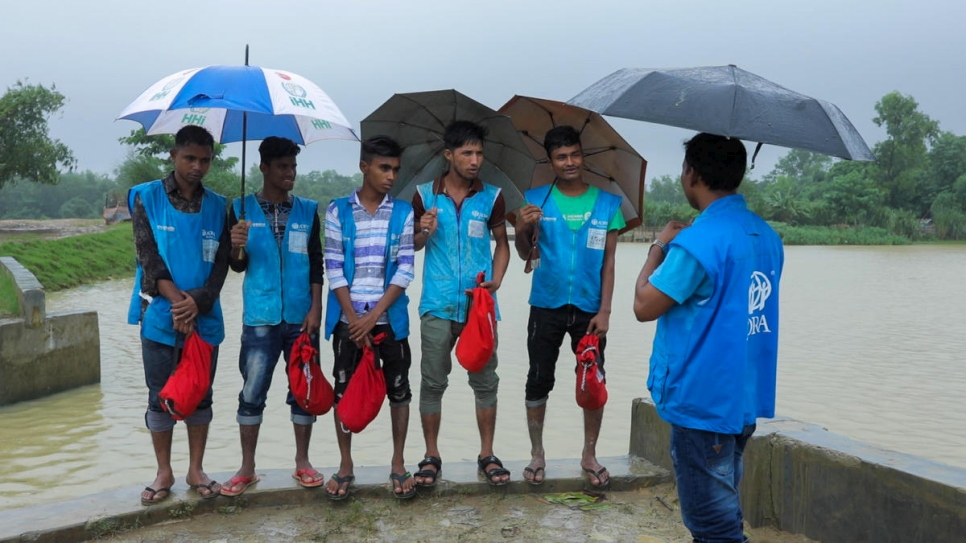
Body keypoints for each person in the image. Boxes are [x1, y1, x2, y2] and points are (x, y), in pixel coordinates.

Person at [632, 133, 784, 543]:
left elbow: (645, 305)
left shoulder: (698, 242)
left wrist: (658, 246)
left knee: (713, 525)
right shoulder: (765, 235)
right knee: (724, 500)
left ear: (692, 174)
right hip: (743, 396)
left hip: (703, 401)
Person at [513, 125, 624, 487]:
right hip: (546, 304)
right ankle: (537, 454)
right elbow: (524, 255)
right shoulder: (534, 200)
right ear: (550, 161)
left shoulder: (608, 204)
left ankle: (589, 454)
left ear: (583, 156)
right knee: (538, 379)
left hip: (591, 311)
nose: (570, 162)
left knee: (592, 382)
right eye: (561, 157)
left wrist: (605, 310)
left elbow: (609, 264)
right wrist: (523, 228)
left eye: (575, 154)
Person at [127, 124, 230, 505]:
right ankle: (163, 472)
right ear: (174, 156)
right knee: (160, 397)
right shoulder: (147, 198)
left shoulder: (220, 206)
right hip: (160, 317)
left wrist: (197, 302)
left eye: (205, 160)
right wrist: (178, 302)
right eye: (190, 158)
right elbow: (148, 258)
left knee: (201, 395)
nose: (197, 167)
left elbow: (221, 265)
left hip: (204, 318)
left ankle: (196, 469)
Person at [220, 137, 326, 497]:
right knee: (252, 393)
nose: (290, 173)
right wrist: (236, 244)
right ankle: (247, 468)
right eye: (282, 166)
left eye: (293, 166)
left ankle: (303, 462)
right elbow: (236, 266)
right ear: (263, 167)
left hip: (301, 318)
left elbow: (316, 265)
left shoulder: (308, 210)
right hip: (260, 317)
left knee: (304, 391)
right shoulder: (241, 210)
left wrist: (316, 309)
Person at [411, 120, 511, 487]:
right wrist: (423, 229)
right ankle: (431, 456)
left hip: (479, 306)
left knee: (485, 381)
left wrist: (497, 279)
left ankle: (487, 454)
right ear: (448, 155)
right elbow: (414, 247)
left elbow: (502, 243)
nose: (474, 160)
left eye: (479, 153)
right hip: (436, 304)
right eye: (467, 152)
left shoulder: (492, 196)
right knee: (432, 382)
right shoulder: (424, 196)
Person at [322, 135, 417, 500]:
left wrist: (373, 315)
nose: (391, 175)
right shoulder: (337, 211)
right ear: (364, 167)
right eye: (384, 168)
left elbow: (405, 271)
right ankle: (345, 465)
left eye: (395, 169)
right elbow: (334, 269)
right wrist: (353, 318)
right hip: (349, 319)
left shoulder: (404, 212)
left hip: (389, 319)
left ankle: (397, 462)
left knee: (399, 390)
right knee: (343, 391)